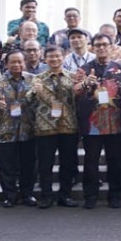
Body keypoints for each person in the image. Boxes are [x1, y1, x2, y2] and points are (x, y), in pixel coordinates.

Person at [76, 34, 121, 209]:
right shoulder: (84, 69)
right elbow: (74, 91)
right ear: (92, 47)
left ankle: (114, 195)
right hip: (92, 125)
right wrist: (85, 84)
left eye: (105, 44)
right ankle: (90, 195)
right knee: (91, 161)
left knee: (115, 161)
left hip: (116, 123)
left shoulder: (119, 69)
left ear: (111, 46)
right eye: (97, 45)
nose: (101, 48)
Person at [29, 45, 79, 208]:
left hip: (68, 125)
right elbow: (28, 99)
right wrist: (34, 92)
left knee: (68, 163)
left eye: (58, 56)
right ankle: (46, 196)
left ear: (63, 57)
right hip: (45, 126)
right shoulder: (38, 79)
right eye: (51, 57)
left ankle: (65, 195)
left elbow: (79, 97)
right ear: (45, 58)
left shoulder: (72, 77)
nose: (55, 59)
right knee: (45, 164)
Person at [0, 50, 37, 207]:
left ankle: (27, 194)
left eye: (19, 62)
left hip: (27, 128)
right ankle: (9, 195)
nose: (16, 65)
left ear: (24, 63)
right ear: (6, 64)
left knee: (28, 165)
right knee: (7, 165)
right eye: (13, 62)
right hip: (6, 129)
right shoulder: (0, 81)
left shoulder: (32, 79)